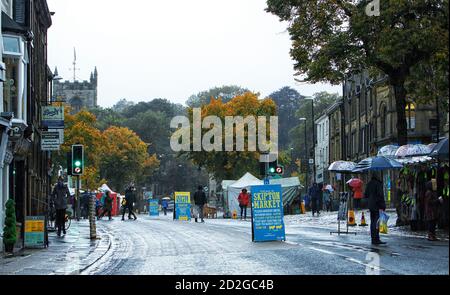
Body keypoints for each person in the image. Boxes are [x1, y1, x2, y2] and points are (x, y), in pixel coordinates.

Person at [364, 172, 386, 245]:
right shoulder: (378, 184)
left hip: (371, 206)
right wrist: (382, 205)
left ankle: (373, 238)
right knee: (376, 223)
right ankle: (376, 238)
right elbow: (380, 196)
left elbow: (366, 194)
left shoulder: (369, 184)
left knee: (372, 222)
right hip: (377, 206)